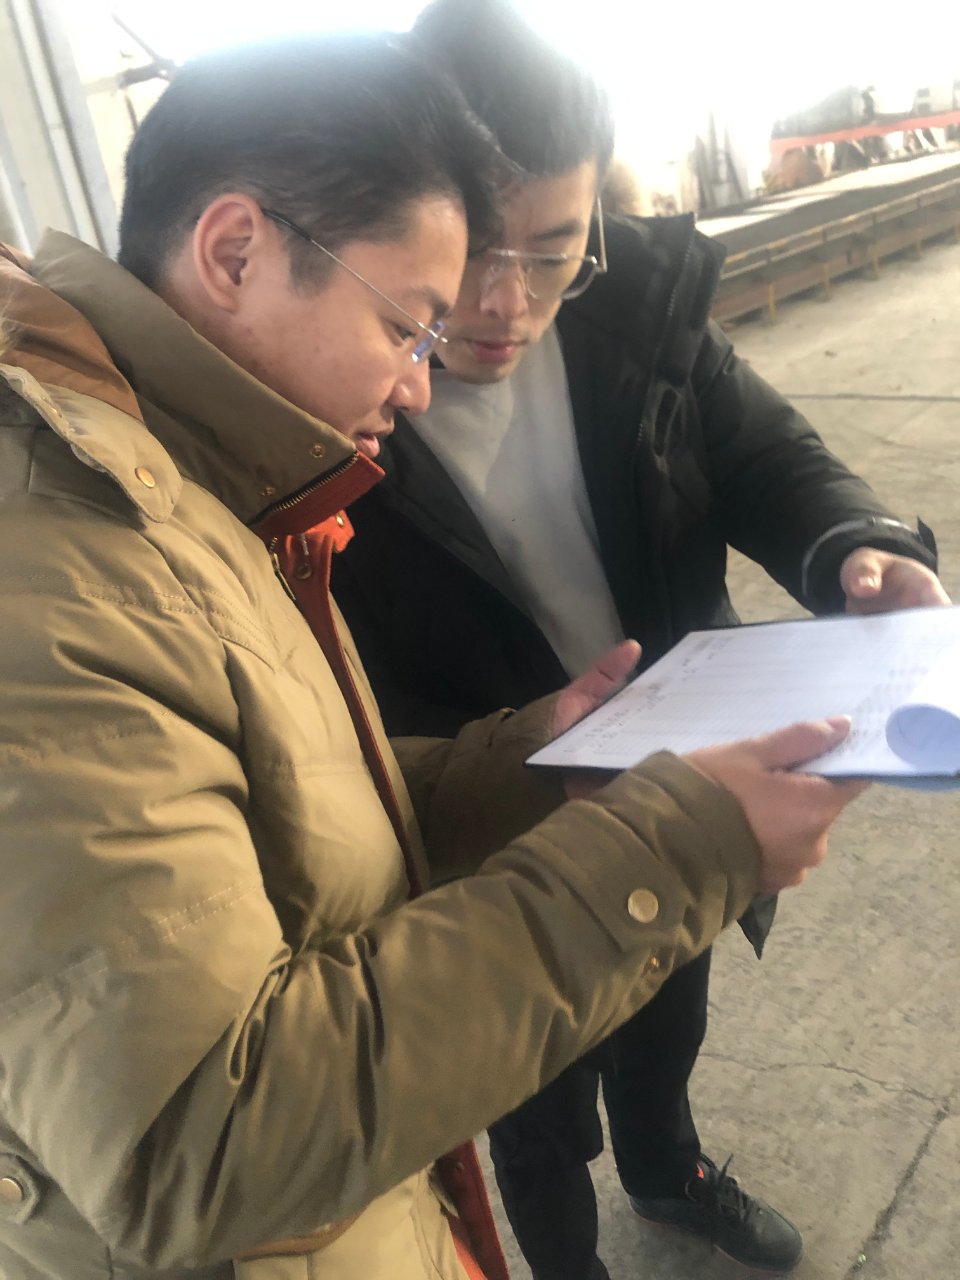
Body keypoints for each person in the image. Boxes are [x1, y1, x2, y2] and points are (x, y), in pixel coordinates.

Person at [0, 29, 866, 1280]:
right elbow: (199, 1144)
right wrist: (678, 846)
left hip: (381, 1174)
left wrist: (530, 763)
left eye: (553, 256)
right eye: (408, 325)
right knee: (541, 1126)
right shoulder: (64, 573)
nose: (420, 385)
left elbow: (281, 807)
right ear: (236, 252)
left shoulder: (191, 485)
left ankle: (664, 1164)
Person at [329, 3, 950, 1278]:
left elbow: (769, 454)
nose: (506, 305)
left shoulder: (636, 317)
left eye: (554, 251)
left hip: (676, 761)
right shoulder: (341, 391)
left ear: (595, 221)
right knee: (532, 1096)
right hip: (490, 813)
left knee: (670, 1005)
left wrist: (858, 547)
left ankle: (669, 1171)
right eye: (472, 255)